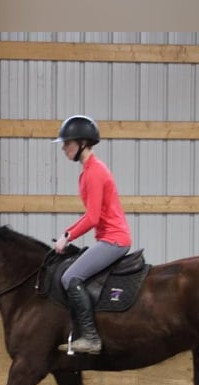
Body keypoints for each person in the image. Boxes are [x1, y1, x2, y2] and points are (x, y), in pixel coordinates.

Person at [53, 115, 132, 354]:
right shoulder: (89, 170)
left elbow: (93, 217)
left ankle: (90, 336)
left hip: (114, 240)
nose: (64, 148)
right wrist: (68, 233)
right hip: (108, 237)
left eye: (67, 143)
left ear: (83, 144)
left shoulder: (94, 172)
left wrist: (68, 237)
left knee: (70, 277)